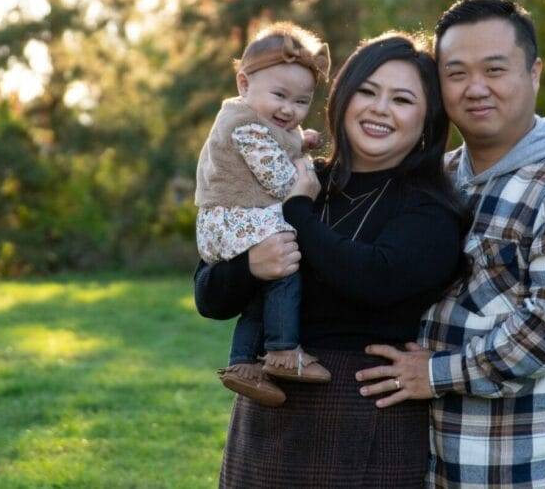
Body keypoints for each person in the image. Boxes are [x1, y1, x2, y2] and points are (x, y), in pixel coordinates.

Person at [356, 0, 545, 488]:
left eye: (495, 70)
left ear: (534, 72)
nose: (475, 88)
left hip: (513, 466)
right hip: (426, 456)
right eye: (455, 73)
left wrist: (435, 374)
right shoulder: (439, 179)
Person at [194, 33, 465, 487]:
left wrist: (298, 213)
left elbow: (372, 278)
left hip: (362, 413)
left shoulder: (429, 208)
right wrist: (250, 267)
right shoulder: (298, 180)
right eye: (367, 91)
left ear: (427, 118)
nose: (379, 109)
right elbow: (208, 295)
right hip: (266, 410)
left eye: (401, 99)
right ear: (341, 97)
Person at [195, 23, 334, 406]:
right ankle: (283, 350)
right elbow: (278, 178)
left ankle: (243, 364)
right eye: (279, 96)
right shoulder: (243, 125)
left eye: (302, 101)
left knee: (263, 286)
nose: (289, 110)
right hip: (234, 219)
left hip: (232, 218)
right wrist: (307, 178)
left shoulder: (252, 120)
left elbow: (276, 142)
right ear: (244, 84)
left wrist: (297, 140)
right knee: (287, 261)